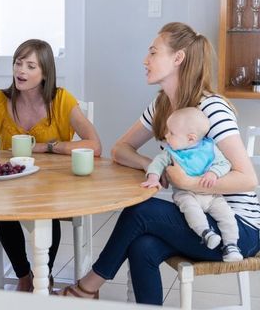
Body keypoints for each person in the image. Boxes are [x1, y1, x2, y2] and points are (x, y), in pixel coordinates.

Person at [54, 22, 260, 305]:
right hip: (196, 215)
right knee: (142, 246)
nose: (145, 60)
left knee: (141, 210)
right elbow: (120, 149)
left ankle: (88, 287)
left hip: (236, 227)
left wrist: (188, 183)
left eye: (153, 52)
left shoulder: (212, 108)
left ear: (178, 59)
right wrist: (152, 164)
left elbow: (248, 178)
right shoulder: (162, 105)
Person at [0, 39, 102, 292]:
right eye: (18, 63)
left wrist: (46, 147)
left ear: (45, 72)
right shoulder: (0, 100)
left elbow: (95, 145)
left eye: (30, 65)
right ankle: (25, 276)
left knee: (48, 213)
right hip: (10, 184)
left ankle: (43, 275)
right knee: (3, 214)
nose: (20, 71)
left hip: (52, 186)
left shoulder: (61, 100)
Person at [142, 107, 242, 262]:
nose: (166, 136)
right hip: (186, 193)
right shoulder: (170, 152)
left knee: (227, 216)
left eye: (171, 133)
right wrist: (153, 178)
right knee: (191, 209)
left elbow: (224, 163)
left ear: (191, 138)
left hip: (211, 195)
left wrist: (213, 173)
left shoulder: (210, 148)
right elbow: (157, 163)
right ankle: (206, 233)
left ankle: (231, 245)